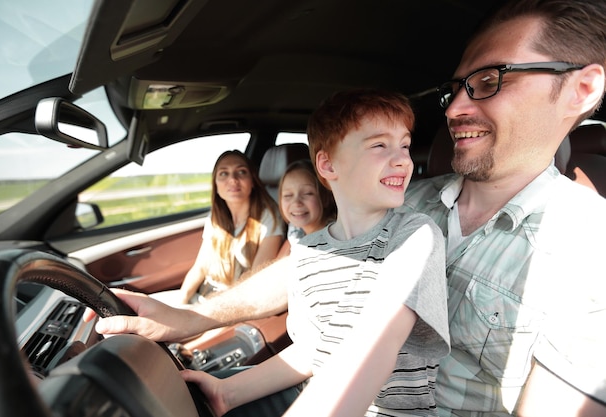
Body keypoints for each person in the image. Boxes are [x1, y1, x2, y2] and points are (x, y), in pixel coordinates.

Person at [85, 0, 606, 415]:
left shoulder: (590, 248)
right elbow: (318, 276)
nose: (458, 108)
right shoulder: (413, 199)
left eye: (490, 82)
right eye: (455, 91)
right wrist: (191, 316)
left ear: (582, 88)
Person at [182, 89, 449, 417]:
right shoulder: (309, 250)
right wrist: (227, 392)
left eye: (405, 145)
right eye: (380, 145)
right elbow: (315, 350)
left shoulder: (416, 236)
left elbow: (373, 346)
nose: (402, 159)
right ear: (328, 164)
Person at [151, 149, 285, 305]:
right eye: (223, 174)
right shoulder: (216, 217)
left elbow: (254, 282)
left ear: (253, 180)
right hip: (204, 295)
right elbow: (200, 268)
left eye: (241, 172)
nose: (233, 179)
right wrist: (180, 304)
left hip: (231, 305)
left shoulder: (269, 218)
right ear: (216, 183)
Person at [275, 158, 336, 258]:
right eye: (288, 195)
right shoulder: (296, 229)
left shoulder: (333, 237)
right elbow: (277, 265)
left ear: (324, 198)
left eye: (308, 193)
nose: (296, 203)